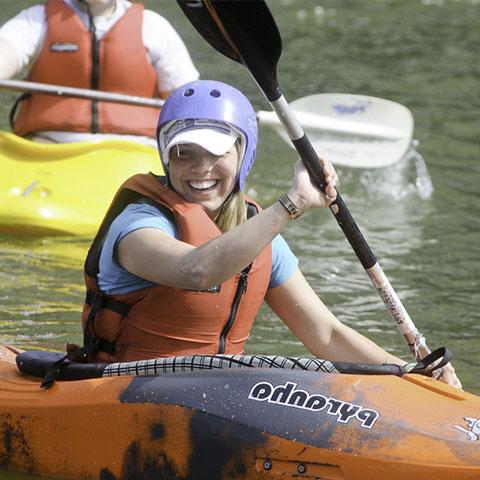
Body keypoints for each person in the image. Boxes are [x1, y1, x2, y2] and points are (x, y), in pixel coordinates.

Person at [79, 79, 461, 389]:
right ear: (166, 155)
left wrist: (415, 377)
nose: (201, 168)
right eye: (185, 153)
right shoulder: (139, 224)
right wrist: (292, 203)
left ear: (243, 156)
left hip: (215, 394)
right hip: (121, 390)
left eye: (218, 153)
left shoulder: (260, 236)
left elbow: (325, 334)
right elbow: (197, 271)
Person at [0, 0, 199, 145]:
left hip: (136, 151)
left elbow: (190, 101)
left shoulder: (154, 26)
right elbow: (6, 51)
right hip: (47, 147)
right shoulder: (35, 20)